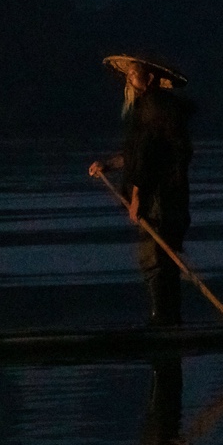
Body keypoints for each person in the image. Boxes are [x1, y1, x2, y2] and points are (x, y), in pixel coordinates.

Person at [88, 53, 194, 326]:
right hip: (167, 197)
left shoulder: (155, 108)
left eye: (134, 75)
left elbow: (149, 156)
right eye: (129, 75)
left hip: (160, 198)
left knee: (156, 261)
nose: (129, 80)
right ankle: (169, 323)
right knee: (163, 262)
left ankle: (163, 324)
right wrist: (108, 164)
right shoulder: (151, 108)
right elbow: (135, 154)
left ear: (149, 79)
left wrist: (136, 198)